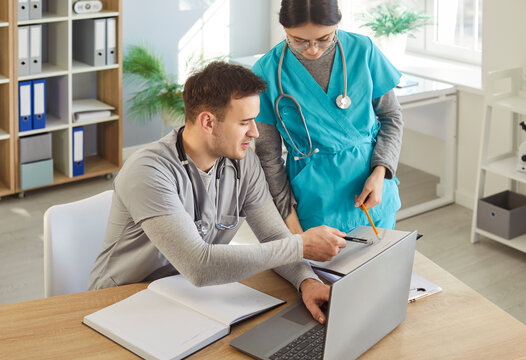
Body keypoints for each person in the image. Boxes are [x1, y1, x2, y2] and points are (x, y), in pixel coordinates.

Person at [88, 61, 347, 324]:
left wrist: (307, 281)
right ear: (208, 122)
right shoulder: (149, 170)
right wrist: (299, 246)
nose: (255, 133)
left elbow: (272, 235)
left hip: (190, 299)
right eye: (244, 122)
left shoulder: (243, 163)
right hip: (120, 303)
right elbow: (199, 266)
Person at [253, 0, 404, 235]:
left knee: (379, 266)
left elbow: (391, 117)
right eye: (299, 41)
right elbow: (267, 156)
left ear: (337, 24)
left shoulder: (363, 50)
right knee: (324, 271)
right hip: (315, 201)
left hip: (372, 189)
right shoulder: (266, 71)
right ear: (284, 28)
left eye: (324, 38)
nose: (312, 49)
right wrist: (290, 222)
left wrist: (381, 171)